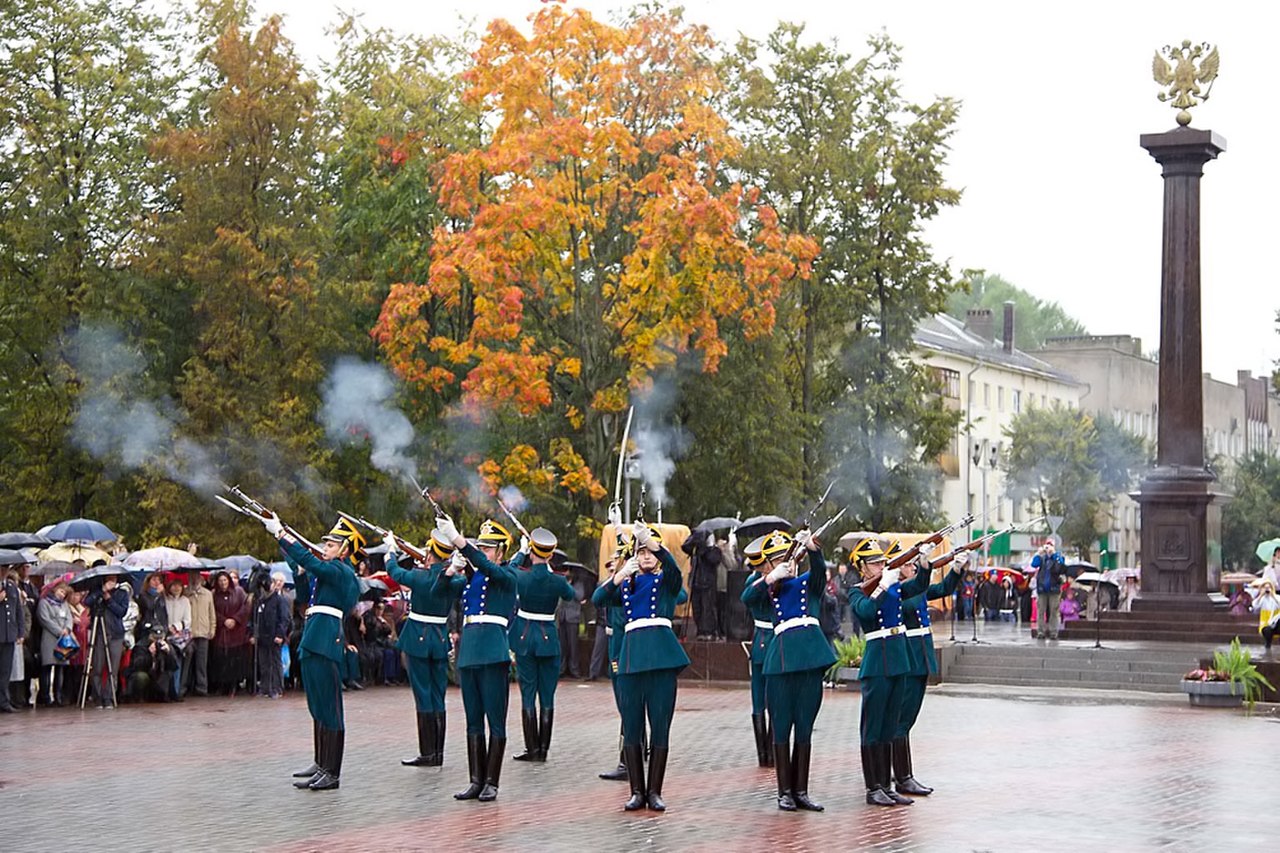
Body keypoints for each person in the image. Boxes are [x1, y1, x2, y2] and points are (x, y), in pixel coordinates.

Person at [592, 520, 689, 812]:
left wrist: (658, 547)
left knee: (660, 728)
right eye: (641, 551)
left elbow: (674, 571)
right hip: (631, 660)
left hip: (661, 659)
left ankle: (655, 791)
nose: (646, 556)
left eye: (650, 552)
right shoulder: (627, 585)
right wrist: (620, 575)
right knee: (632, 727)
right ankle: (637, 791)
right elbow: (598, 599)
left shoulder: (666, 582)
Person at [266, 513, 363, 792]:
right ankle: (321, 764)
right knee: (318, 707)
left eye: (332, 545)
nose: (326, 548)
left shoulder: (342, 571)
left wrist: (285, 537)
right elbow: (304, 579)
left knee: (331, 710)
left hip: (326, 641)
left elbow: (311, 563)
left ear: (345, 549)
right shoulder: (327, 572)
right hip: (313, 639)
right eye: (327, 544)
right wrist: (280, 538)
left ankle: (332, 772)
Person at [742, 528, 835, 812]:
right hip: (781, 662)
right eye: (780, 560)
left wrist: (813, 549)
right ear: (768, 564)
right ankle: (784, 791)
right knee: (781, 727)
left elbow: (819, 573)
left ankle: (801, 791)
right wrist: (769, 578)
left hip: (809, 659)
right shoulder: (768, 588)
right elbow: (747, 597)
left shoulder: (807, 583)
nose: (789, 564)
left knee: (804, 727)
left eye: (791, 559)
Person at [434, 514, 518, 803]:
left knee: (495, 721)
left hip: (493, 653)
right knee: (473, 721)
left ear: (502, 551)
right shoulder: (470, 581)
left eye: (489, 548)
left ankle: (492, 781)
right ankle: (475, 779)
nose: (483, 552)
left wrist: (459, 541)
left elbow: (488, 567)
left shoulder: (507, 575)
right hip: (469, 654)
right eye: (480, 547)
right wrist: (449, 570)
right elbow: (437, 593)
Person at [847, 537, 933, 807]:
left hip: (899, 660)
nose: (880, 566)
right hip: (877, 662)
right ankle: (873, 787)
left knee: (889, 726)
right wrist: (883, 585)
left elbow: (919, 586)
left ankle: (887, 785)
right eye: (874, 563)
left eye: (882, 562)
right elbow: (866, 611)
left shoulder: (895, 586)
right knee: (872, 727)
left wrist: (924, 562)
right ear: (862, 568)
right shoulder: (857, 591)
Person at [893, 546, 968, 797]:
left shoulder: (915, 587)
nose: (913, 567)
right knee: (902, 720)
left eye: (915, 563)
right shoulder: (898, 591)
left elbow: (943, 589)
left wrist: (956, 568)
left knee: (908, 719)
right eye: (908, 564)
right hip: (909, 657)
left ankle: (899, 771)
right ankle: (903, 777)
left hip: (921, 657)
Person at [384, 528, 462, 767]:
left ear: (429, 554)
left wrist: (390, 550)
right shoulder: (455, 580)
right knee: (438, 695)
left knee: (423, 695)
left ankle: (427, 753)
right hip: (438, 639)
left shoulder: (419, 577)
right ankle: (437, 752)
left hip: (417, 639)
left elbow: (394, 571)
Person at [509, 527, 575, 763]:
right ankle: (543, 750)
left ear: (532, 551)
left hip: (525, 637)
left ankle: (532, 749)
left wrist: (520, 552)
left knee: (528, 694)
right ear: (550, 553)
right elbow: (570, 595)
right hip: (548, 638)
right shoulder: (557, 580)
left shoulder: (522, 575)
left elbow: (508, 570)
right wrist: (549, 569)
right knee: (547, 696)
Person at [740, 536, 773, 768]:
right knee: (759, 699)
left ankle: (772, 750)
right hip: (763, 641)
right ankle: (764, 753)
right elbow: (748, 599)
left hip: (774, 641)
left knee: (775, 700)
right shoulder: (756, 583)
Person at [84, 576, 129, 709]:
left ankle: (109, 696)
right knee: (97, 666)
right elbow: (88, 602)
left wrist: (109, 600)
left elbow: (121, 612)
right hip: (99, 632)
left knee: (112, 668)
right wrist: (101, 592)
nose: (111, 582)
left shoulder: (122, 594)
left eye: (113, 579)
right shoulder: (96, 591)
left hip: (116, 634)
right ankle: (97, 696)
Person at [252, 571, 291, 699]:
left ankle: (277, 687)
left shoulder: (280, 600)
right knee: (264, 663)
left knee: (275, 662)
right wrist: (255, 634)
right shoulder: (261, 600)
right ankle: (265, 687)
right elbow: (256, 618)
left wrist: (280, 634)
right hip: (263, 636)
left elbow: (284, 618)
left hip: (275, 636)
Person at [211, 572, 250, 696]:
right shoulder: (214, 594)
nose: (223, 583)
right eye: (221, 581)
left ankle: (234, 685)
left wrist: (235, 619)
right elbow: (212, 611)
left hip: (236, 632)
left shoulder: (239, 592)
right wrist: (223, 620)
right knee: (221, 660)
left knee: (235, 660)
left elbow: (245, 607)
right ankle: (222, 685)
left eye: (225, 580)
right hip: (221, 633)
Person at [36, 582, 74, 706]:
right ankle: (45, 696)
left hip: (63, 639)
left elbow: (69, 618)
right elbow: (44, 619)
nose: (62, 595)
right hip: (49, 638)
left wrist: (67, 629)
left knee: (60, 667)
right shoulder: (44, 602)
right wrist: (59, 630)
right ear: (55, 590)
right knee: (47, 667)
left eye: (64, 593)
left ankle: (58, 696)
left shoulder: (65, 605)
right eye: (61, 591)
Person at [683, 529, 722, 640]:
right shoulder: (696, 549)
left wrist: (707, 547)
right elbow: (685, 547)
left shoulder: (714, 551)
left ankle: (709, 631)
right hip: (696, 582)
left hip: (708, 583)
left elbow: (713, 560)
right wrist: (694, 539)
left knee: (707, 608)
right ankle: (700, 630)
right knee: (697, 608)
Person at [184, 570, 215, 697]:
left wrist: (212, 629)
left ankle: (202, 687)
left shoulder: (207, 594)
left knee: (201, 663)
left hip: (203, 632)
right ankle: (185, 687)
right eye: (192, 577)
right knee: (187, 663)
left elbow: (211, 613)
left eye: (197, 577)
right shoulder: (186, 593)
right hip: (189, 633)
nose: (194, 579)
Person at [0, 570, 27, 712]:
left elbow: (18, 611)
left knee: (5, 671)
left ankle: (4, 702)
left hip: (9, 634)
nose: (3, 572)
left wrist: (20, 632)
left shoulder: (11, 586)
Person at [1030, 541, 1067, 640]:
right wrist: (1038, 553)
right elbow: (1034, 564)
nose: (1048, 549)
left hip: (1054, 588)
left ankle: (1053, 632)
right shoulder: (1042, 559)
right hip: (1042, 589)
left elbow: (1061, 566)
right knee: (1041, 611)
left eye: (1050, 546)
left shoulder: (1058, 557)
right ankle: (1041, 631)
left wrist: (1054, 554)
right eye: (1047, 546)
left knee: (1054, 611)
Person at [556, 562, 586, 680]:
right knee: (562, 644)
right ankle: (562, 669)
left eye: (567, 571)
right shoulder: (561, 583)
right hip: (562, 617)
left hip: (573, 618)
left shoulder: (578, 584)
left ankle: (574, 669)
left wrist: (568, 586)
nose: (565, 573)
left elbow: (579, 596)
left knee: (573, 645)